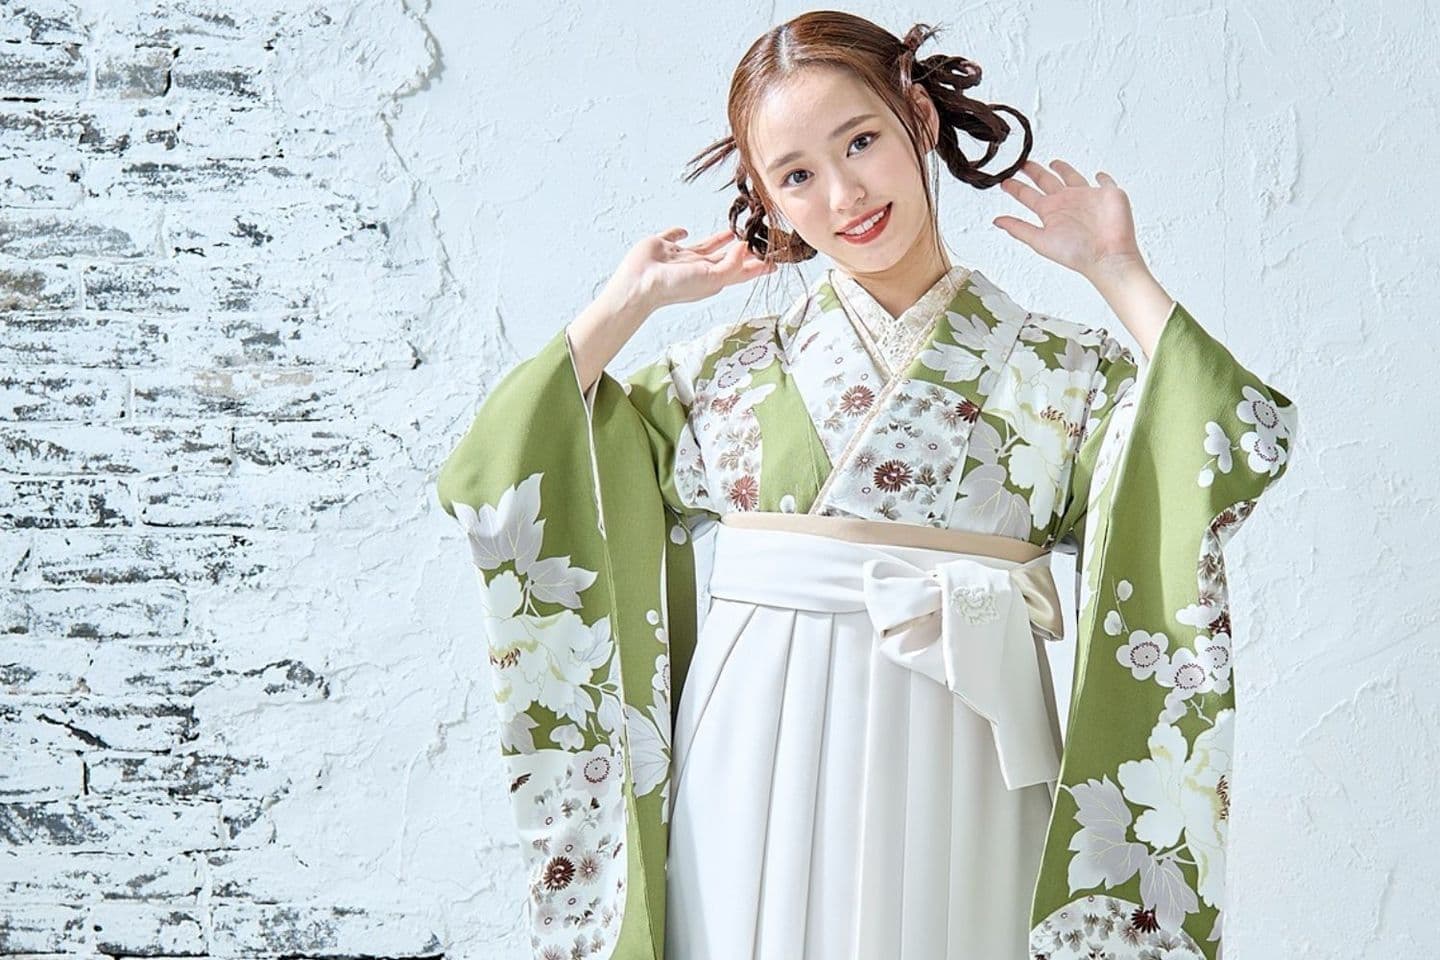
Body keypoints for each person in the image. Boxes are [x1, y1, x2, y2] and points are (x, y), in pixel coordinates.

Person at [435, 12, 1298, 960]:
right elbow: (505, 473)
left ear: (918, 118)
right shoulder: (723, 374)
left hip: (972, 745)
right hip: (753, 745)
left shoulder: (1065, 374)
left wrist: (1119, 271)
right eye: (797, 175)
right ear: (766, 197)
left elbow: (1230, 444)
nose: (845, 195)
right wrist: (621, 306)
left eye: (861, 141)